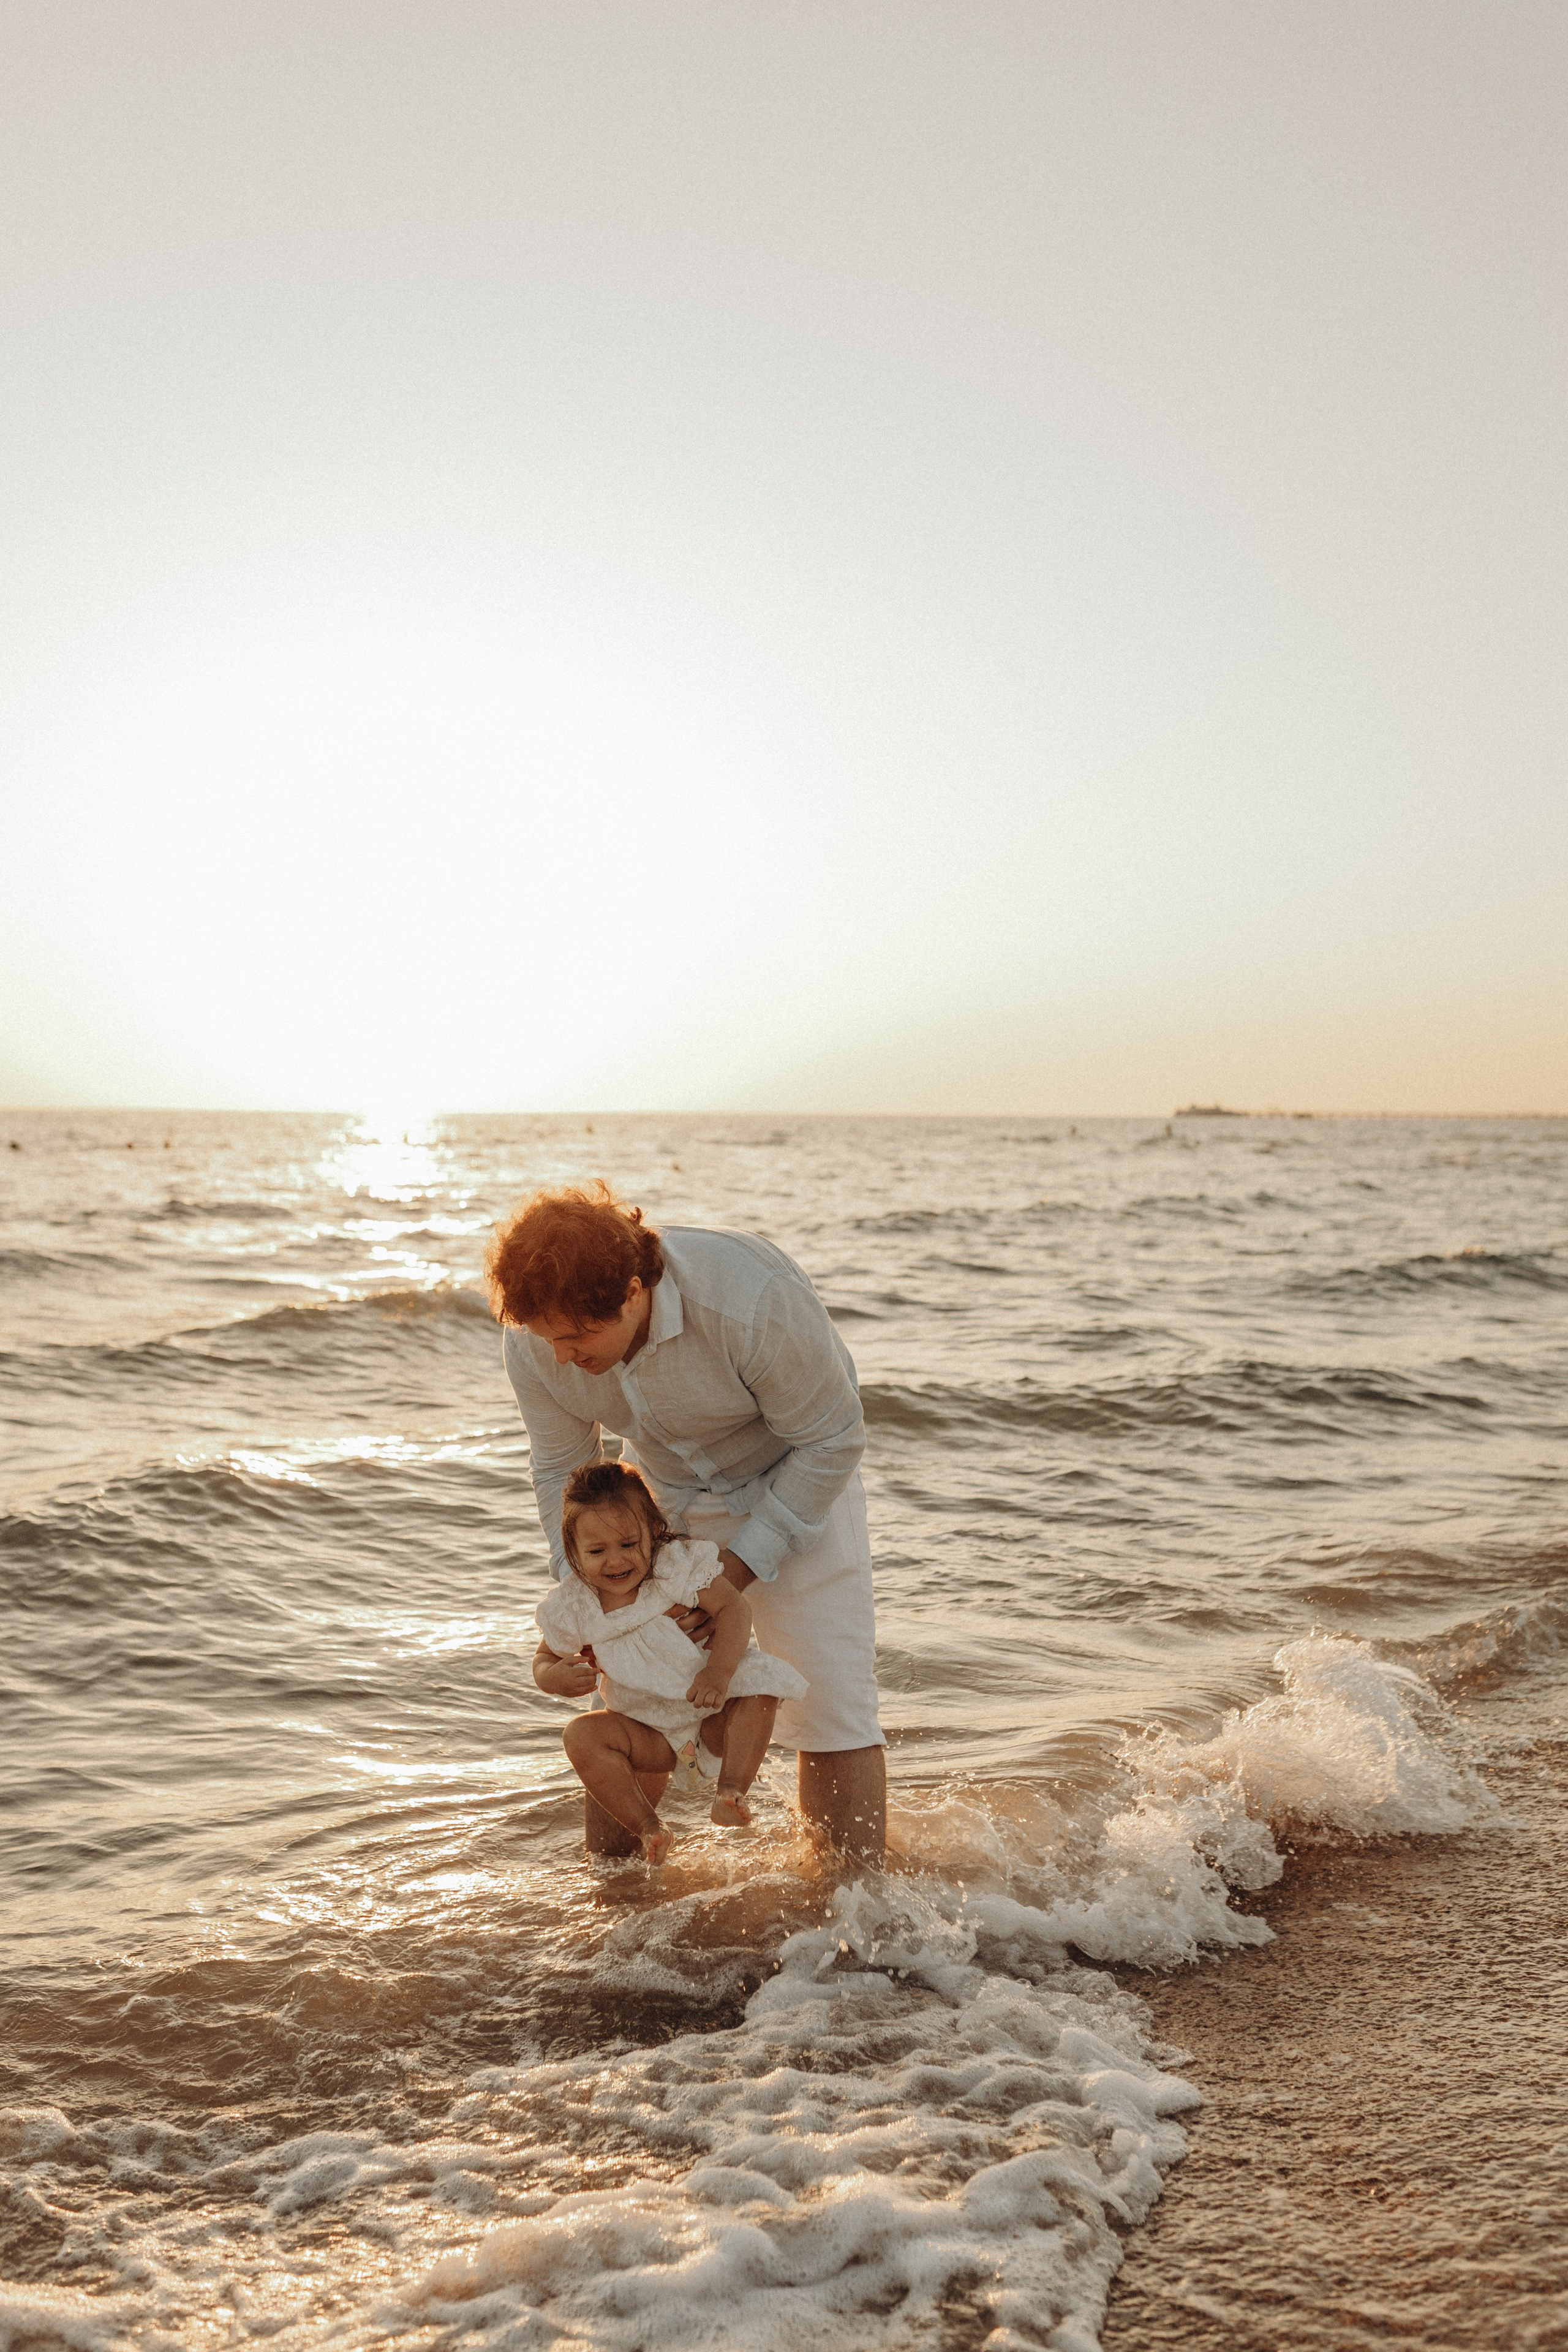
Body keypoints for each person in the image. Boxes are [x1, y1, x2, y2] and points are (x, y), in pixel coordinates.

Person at [486, 1182, 886, 1863]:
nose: (560, 1356)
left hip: (795, 1479)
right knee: (624, 1707)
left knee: (830, 1710)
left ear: (636, 1291)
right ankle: (618, 1918)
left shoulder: (748, 1298)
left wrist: (727, 1577)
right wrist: (589, 1596)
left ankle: (853, 1923)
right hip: (659, 1496)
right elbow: (562, 1468)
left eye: (579, 1336)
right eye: (546, 1337)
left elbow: (833, 1439)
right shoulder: (538, 1340)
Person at [533, 1460, 807, 1861]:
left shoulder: (674, 1569)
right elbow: (543, 1658)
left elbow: (734, 1609)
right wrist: (553, 1676)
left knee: (761, 1686)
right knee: (580, 1736)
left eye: (629, 1544)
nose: (615, 1561)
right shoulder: (576, 1604)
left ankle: (730, 1790)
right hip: (649, 1736)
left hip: (711, 1713)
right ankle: (649, 1829)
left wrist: (719, 1672)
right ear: (573, 1553)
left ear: (652, 1530)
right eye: (597, 1551)